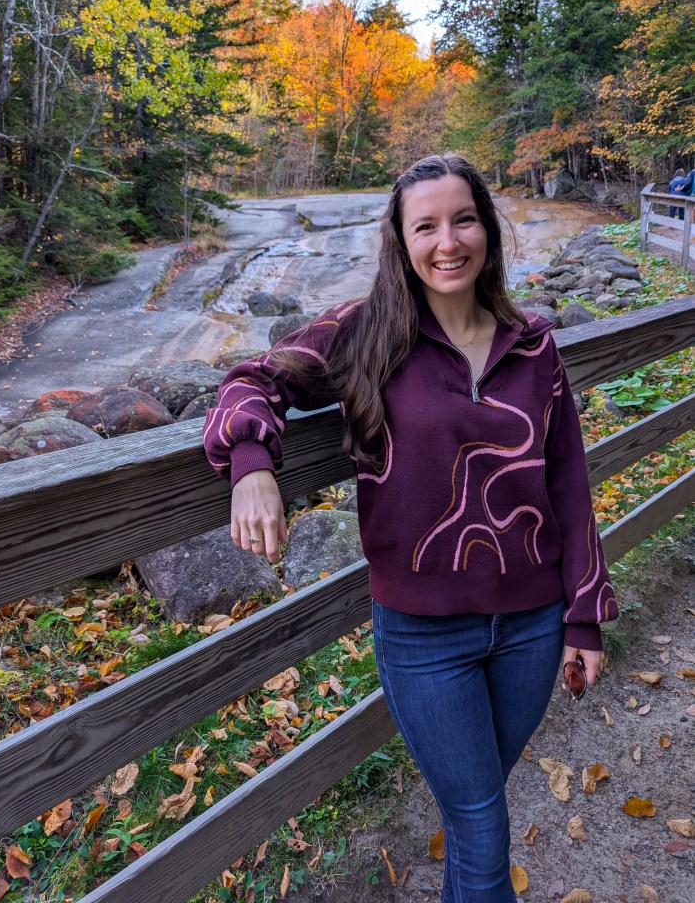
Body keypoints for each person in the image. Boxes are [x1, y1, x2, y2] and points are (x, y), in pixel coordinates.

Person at [204, 154, 619, 902]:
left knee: (477, 814)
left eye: (462, 219)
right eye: (423, 226)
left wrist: (584, 618)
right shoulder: (365, 333)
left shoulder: (533, 345)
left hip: (531, 625)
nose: (446, 241)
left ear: (486, 228)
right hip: (424, 636)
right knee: (481, 822)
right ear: (399, 240)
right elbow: (251, 379)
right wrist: (251, 463)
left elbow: (568, 483)